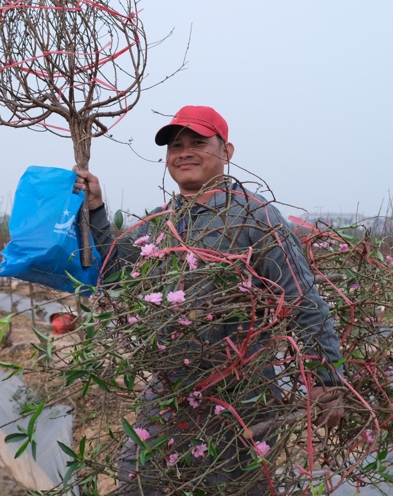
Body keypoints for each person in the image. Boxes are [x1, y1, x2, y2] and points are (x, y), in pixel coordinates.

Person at [74, 106, 345, 494]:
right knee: (139, 479)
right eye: (176, 146)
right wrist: (97, 208)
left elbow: (302, 298)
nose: (184, 152)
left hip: (240, 391)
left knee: (232, 485)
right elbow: (117, 275)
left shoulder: (254, 217)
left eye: (197, 143)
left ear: (227, 151)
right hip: (171, 386)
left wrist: (325, 379)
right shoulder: (160, 222)